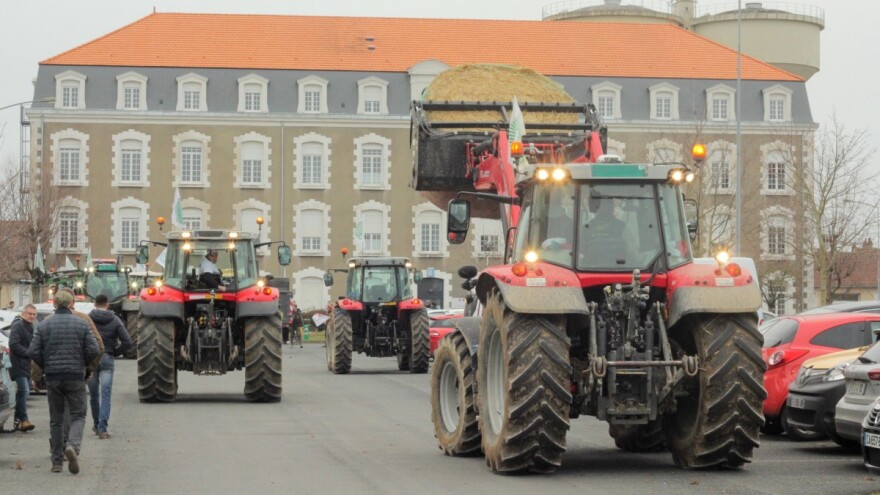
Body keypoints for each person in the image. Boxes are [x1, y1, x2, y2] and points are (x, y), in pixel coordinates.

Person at [28, 289, 101, 475]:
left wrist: (45, 367)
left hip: (53, 377)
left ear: (54, 304)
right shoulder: (81, 324)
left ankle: (57, 462)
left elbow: (33, 351)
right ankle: (73, 446)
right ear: (71, 304)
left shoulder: (44, 325)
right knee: (78, 415)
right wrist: (85, 365)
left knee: (56, 420)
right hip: (75, 376)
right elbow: (94, 348)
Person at [87, 294, 131, 439]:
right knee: (105, 394)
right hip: (107, 357)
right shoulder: (115, 320)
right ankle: (103, 428)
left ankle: (96, 423)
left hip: (91, 359)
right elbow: (127, 341)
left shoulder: (88, 319)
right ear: (107, 304)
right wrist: (114, 352)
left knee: (93, 395)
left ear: (94, 303)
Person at [8, 304, 38, 432]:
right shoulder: (18, 325)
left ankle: (18, 420)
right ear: (23, 313)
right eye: (29, 314)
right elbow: (13, 344)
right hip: (18, 363)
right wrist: (28, 353)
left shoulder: (29, 326)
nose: (32, 316)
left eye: (34, 314)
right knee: (24, 391)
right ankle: (24, 419)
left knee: (22, 392)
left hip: (25, 363)